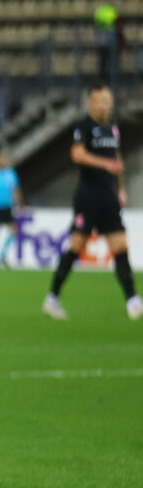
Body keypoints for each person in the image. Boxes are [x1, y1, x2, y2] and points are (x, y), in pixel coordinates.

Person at [44, 84, 141, 320]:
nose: (103, 105)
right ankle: (52, 298)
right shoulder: (83, 127)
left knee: (120, 246)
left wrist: (120, 189)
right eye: (98, 100)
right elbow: (77, 155)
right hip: (88, 196)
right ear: (90, 102)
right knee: (77, 246)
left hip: (109, 196)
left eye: (107, 100)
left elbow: (115, 158)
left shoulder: (113, 129)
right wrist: (105, 164)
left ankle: (133, 301)